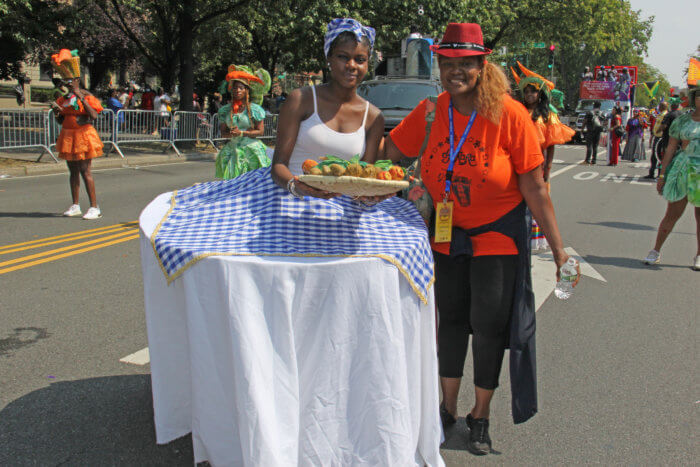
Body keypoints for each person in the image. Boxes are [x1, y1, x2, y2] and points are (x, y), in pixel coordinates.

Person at [383, 22, 576, 455]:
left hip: (496, 237)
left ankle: (481, 414)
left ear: (481, 65)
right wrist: (393, 182)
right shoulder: (431, 112)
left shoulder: (509, 114)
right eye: (448, 61)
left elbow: (535, 187)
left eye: (466, 62)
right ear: (439, 64)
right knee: (449, 323)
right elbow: (390, 156)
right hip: (444, 236)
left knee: (488, 327)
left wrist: (559, 248)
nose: (457, 70)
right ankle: (446, 408)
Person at [271, 19, 383, 192]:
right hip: (290, 197)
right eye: (343, 57)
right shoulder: (301, 100)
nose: (351, 65)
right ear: (329, 58)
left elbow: (364, 178)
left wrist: (371, 194)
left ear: (367, 64)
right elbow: (278, 166)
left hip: (342, 206)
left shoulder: (373, 118)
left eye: (360, 59)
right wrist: (299, 188)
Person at [643, 83, 700, 270]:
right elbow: (670, 149)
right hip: (682, 170)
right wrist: (662, 175)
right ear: (694, 98)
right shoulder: (682, 121)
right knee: (672, 214)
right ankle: (655, 251)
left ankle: (699, 255)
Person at [49, 49, 104, 220]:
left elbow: (94, 115)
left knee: (85, 171)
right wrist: (58, 113)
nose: (66, 83)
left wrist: (79, 94)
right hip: (68, 136)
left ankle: (95, 207)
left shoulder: (85, 96)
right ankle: (75, 205)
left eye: (69, 80)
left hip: (83, 136)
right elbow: (61, 120)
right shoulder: (64, 99)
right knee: (72, 171)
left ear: (77, 80)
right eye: (65, 80)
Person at [214, 65, 271, 179]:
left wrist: (242, 133)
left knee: (253, 184)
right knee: (232, 184)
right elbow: (223, 133)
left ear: (246, 90)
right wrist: (232, 134)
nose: (237, 90)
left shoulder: (255, 109)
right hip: (232, 151)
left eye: (241, 88)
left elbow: (260, 132)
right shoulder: (225, 111)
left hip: (252, 151)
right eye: (235, 88)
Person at [645, 102, 668, 179]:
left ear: (662, 107)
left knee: (659, 156)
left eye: (660, 106)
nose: (658, 107)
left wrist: (657, 131)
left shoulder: (665, 115)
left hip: (661, 138)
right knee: (654, 157)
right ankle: (651, 173)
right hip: (657, 137)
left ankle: (659, 174)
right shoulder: (660, 114)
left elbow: (663, 126)